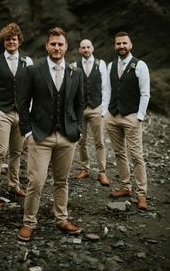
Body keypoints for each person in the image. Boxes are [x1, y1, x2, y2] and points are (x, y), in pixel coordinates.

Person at [17, 27, 84, 241]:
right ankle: (29, 222)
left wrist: (79, 129)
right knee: (36, 181)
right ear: (47, 46)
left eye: (60, 44)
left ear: (66, 47)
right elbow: (22, 103)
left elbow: (80, 104)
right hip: (40, 136)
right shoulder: (34, 70)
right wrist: (27, 131)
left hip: (67, 136)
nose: (56, 47)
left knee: (62, 181)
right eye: (53, 44)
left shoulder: (76, 72)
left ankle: (62, 219)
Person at [0, 22, 33, 208]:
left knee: (17, 152)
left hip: (21, 114)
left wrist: (29, 110)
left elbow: (32, 89)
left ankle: (14, 185)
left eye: (13, 39)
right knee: (0, 151)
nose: (10, 42)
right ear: (3, 42)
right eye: (7, 39)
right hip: (2, 112)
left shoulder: (27, 62)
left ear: (19, 41)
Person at [104, 31, 150, 210]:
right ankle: (125, 187)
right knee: (119, 154)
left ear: (130, 45)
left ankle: (142, 195)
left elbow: (145, 93)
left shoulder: (140, 65)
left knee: (137, 156)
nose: (121, 46)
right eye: (118, 44)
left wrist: (139, 116)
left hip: (131, 116)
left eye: (124, 43)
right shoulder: (110, 66)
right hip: (112, 116)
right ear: (115, 46)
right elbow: (107, 90)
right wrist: (105, 113)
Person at [74, 39, 110, 186]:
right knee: (81, 141)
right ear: (79, 50)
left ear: (92, 48)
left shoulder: (100, 64)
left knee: (99, 141)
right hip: (80, 109)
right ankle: (85, 168)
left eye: (88, 47)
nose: (86, 49)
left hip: (96, 108)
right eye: (83, 47)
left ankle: (102, 172)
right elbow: (73, 89)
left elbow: (106, 88)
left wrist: (104, 109)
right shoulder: (75, 65)